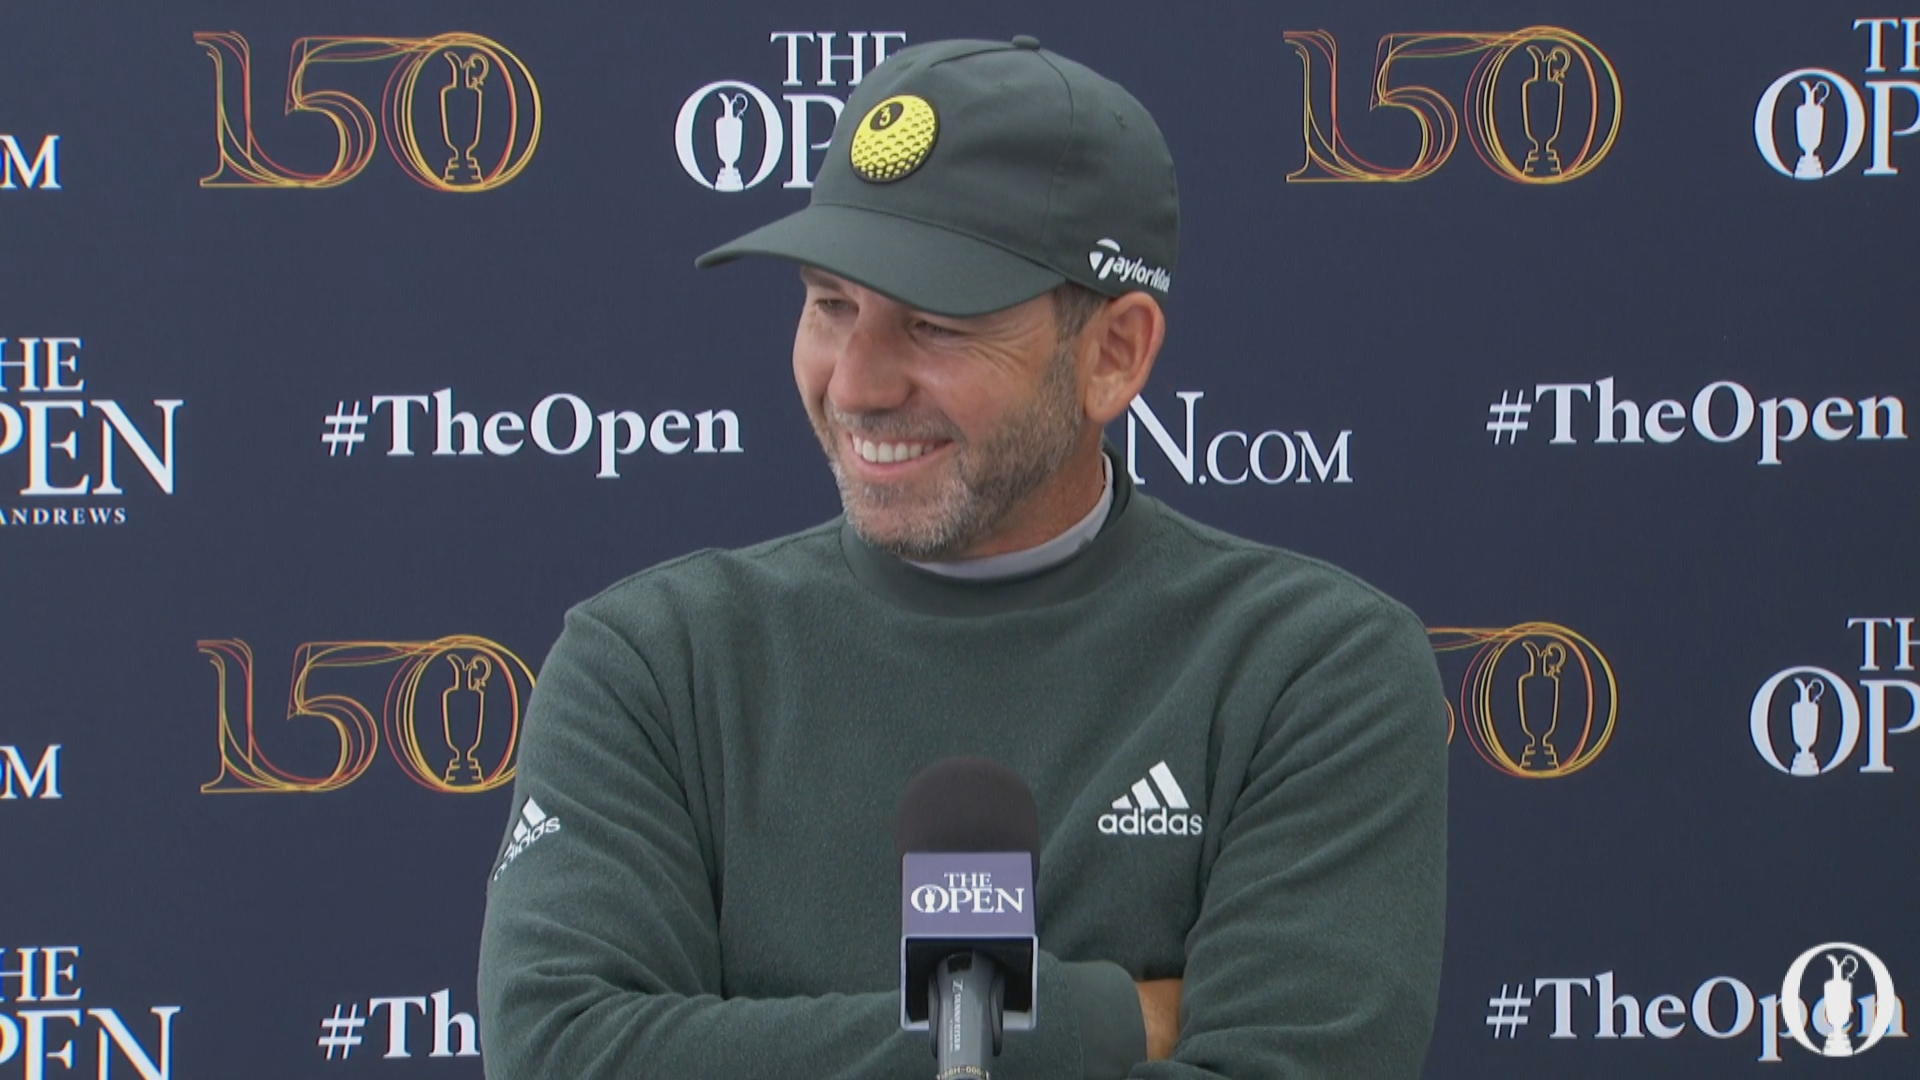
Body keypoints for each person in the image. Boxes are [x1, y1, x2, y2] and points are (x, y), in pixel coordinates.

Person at [478, 36, 1446, 1080]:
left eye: (935, 324)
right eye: (831, 304)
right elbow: (562, 1052)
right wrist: (1099, 1021)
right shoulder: (651, 665)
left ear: (1114, 353)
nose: (857, 385)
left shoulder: (1312, 669)